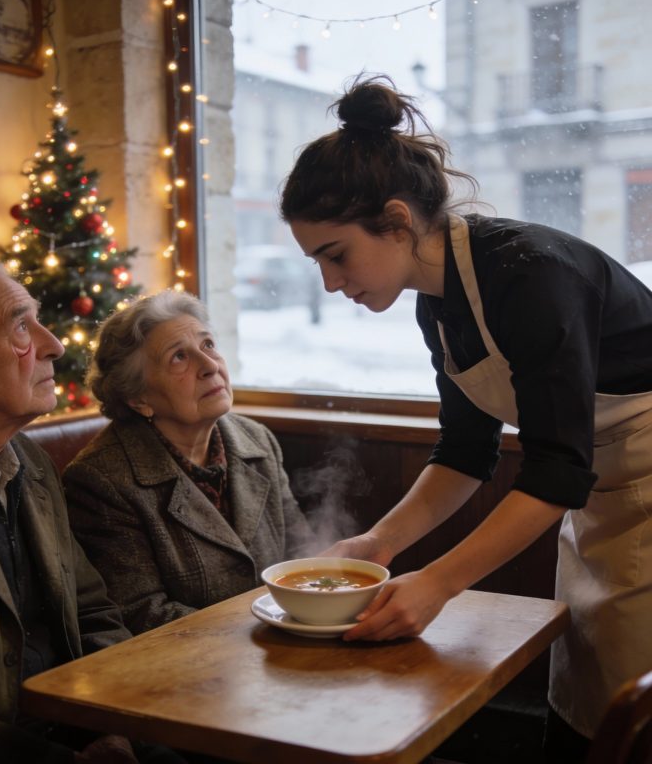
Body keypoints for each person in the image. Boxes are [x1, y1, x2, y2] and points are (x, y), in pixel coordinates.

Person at [279, 75, 652, 762]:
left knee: (630, 718)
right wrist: (379, 544)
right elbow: (466, 449)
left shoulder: (532, 275)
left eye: (336, 254)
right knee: (588, 694)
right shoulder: (439, 302)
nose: (330, 282)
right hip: (600, 501)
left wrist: (438, 584)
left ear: (397, 221)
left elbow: (555, 470)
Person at [0, 260, 187, 764]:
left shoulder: (29, 461)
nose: (55, 345)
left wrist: (120, 728)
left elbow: (92, 614)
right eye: (21, 326)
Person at [62, 290, 312, 634]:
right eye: (179, 357)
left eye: (208, 345)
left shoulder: (257, 440)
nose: (210, 366)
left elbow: (301, 557)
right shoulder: (102, 480)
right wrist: (262, 630)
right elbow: (141, 614)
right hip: (188, 662)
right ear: (138, 398)